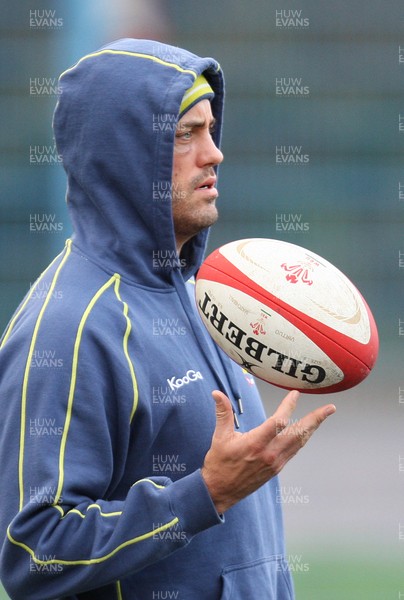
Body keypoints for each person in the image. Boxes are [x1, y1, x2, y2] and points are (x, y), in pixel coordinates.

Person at [0, 38, 335, 599]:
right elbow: (33, 551)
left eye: (210, 129)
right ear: (126, 156)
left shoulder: (207, 295)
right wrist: (204, 493)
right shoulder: (68, 327)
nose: (214, 153)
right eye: (185, 134)